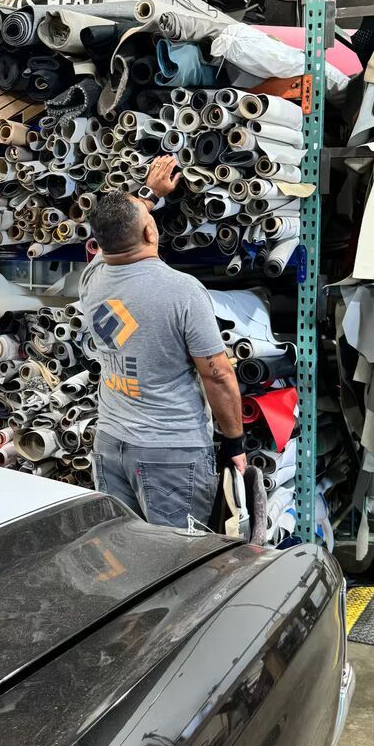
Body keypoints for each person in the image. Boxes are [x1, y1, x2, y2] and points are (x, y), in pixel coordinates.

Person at [79, 155, 246, 529]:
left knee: (124, 552)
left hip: (109, 445)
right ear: (151, 233)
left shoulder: (91, 279)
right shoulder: (182, 291)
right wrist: (234, 443)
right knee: (175, 564)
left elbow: (116, 230)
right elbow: (217, 374)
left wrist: (149, 194)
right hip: (170, 451)